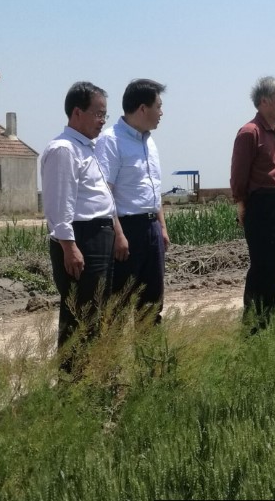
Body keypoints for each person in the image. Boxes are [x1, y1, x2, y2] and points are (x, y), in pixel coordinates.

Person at [41, 82, 117, 376]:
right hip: (80, 239)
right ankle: (72, 383)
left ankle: (91, 380)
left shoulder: (87, 149)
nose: (102, 121)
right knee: (80, 316)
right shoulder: (64, 150)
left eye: (105, 115)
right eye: (98, 114)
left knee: (96, 313)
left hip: (98, 237)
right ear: (77, 113)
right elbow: (59, 204)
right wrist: (69, 246)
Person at [96, 79, 169, 325]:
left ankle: (148, 350)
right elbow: (106, 193)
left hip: (151, 230)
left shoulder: (149, 142)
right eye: (158, 106)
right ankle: (115, 352)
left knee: (151, 304)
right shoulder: (111, 140)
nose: (161, 112)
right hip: (127, 230)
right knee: (119, 305)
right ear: (143, 108)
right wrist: (118, 235)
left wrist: (162, 227)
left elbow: (154, 188)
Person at [230, 76, 275, 326]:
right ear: (264, 101)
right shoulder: (250, 132)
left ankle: (270, 322)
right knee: (263, 268)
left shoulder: (274, 132)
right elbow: (239, 175)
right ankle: (253, 327)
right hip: (264, 206)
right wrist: (241, 204)